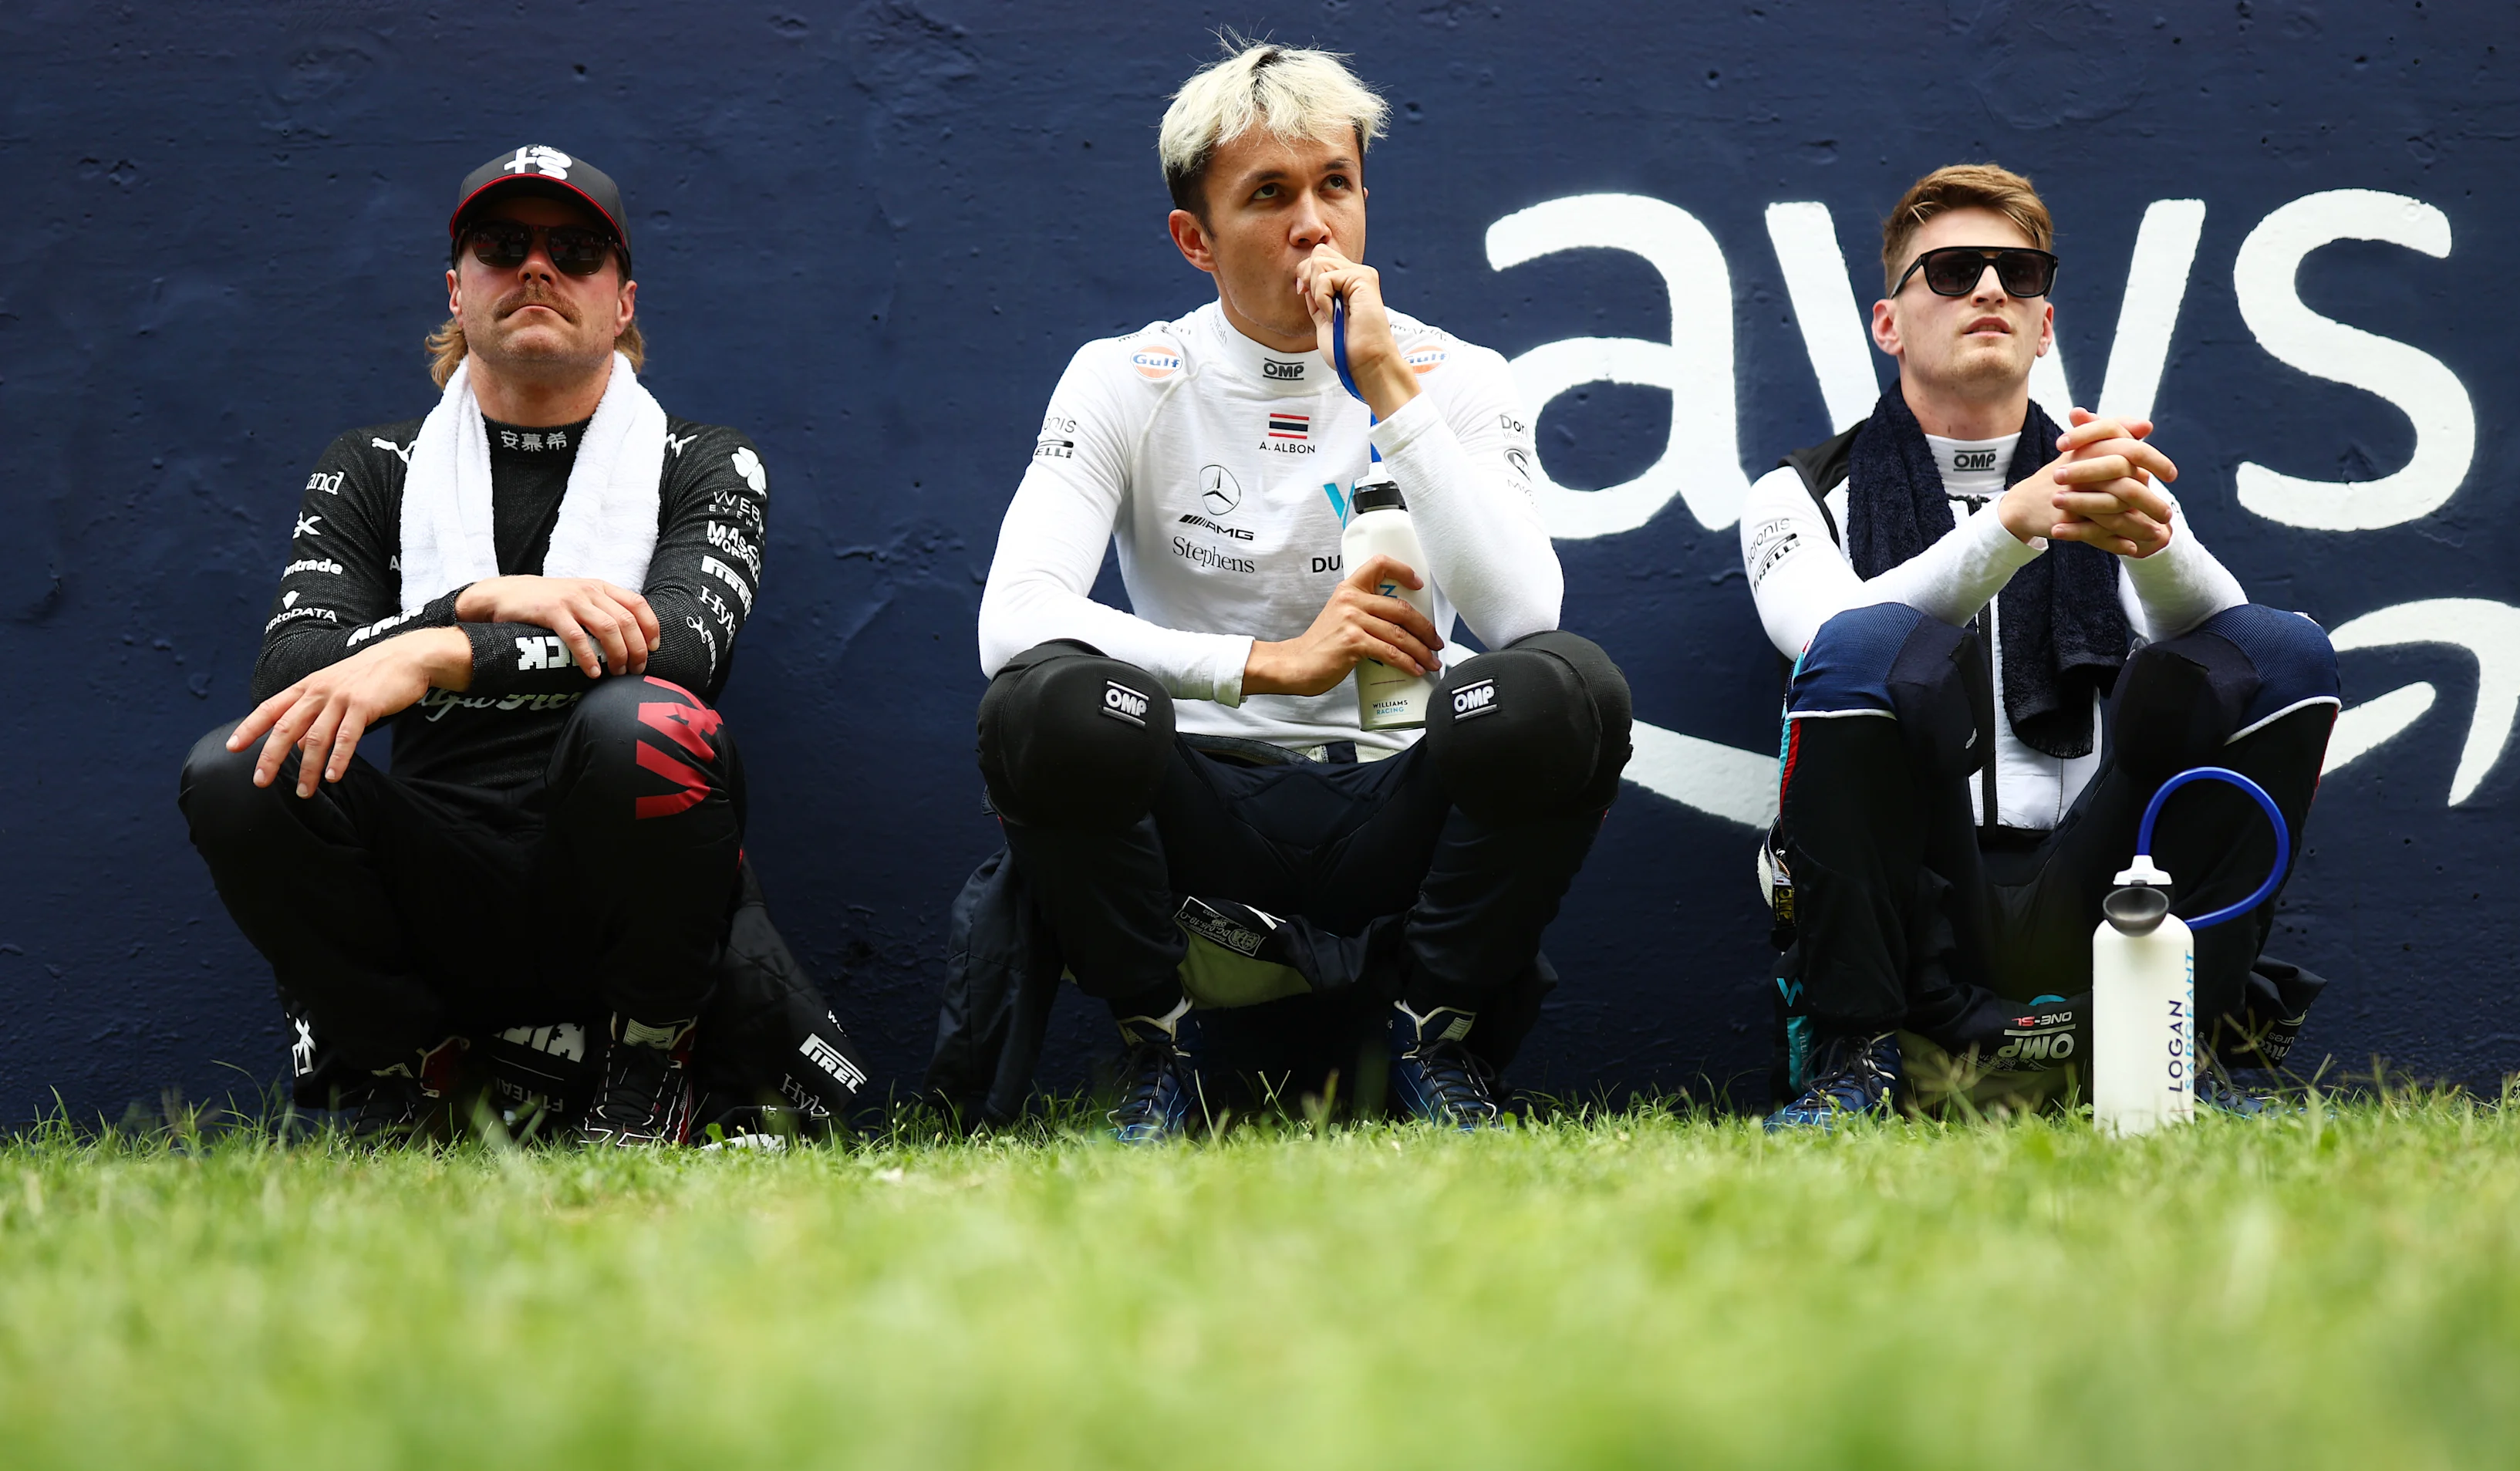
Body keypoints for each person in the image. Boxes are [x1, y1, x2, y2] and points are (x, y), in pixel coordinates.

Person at [961, 40, 1631, 1140]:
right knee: (1041, 702)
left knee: (1572, 691)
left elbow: (1524, 620)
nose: (1312, 223)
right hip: (1203, 800)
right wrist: (1273, 664)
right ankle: (1158, 1047)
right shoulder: (1126, 375)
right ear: (1196, 238)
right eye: (1267, 194)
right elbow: (1015, 616)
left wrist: (1385, 389)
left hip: (1397, 793)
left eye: (1335, 184)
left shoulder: (1453, 375)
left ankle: (1431, 1037)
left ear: (1366, 198)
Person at [178, 145, 868, 1146]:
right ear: (457, 291)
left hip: (628, 894)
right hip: (438, 881)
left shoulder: (705, 462)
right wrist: (468, 601)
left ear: (622, 300)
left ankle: (647, 1072)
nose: (537, 268)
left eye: (575, 250)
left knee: (652, 724)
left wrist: (450, 653)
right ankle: (416, 1075)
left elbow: (684, 653)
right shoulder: (375, 468)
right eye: (503, 246)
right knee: (236, 768)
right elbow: (290, 673)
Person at [1739, 164, 2340, 1129]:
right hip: (1915, 895)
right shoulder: (1798, 491)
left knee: (2286, 652)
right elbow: (1828, 637)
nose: (1988, 290)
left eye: (2018, 276)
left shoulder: (2097, 468)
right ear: (1887, 322)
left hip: (2098, 884)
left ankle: (2201, 1042)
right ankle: (1852, 1061)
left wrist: (2153, 541)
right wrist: (2012, 526)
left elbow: (2252, 662)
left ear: (2044, 323)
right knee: (1870, 651)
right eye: (1950, 271)